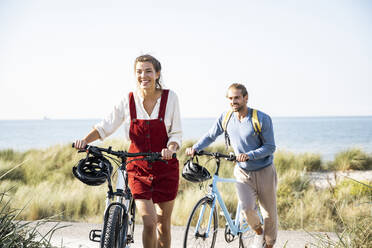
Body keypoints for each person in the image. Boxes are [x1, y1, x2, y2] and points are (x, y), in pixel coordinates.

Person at [74, 54, 182, 248]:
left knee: (163, 227)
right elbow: (105, 126)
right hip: (138, 168)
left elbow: (176, 133)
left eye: (148, 71)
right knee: (149, 223)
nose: (144, 76)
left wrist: (171, 148)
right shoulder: (129, 99)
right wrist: (84, 140)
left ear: (157, 74)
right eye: (139, 72)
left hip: (165, 167)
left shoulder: (170, 98)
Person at [186, 83, 277, 248]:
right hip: (243, 172)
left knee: (269, 214)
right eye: (230, 98)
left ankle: (269, 244)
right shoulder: (226, 118)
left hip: (265, 171)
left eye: (237, 97)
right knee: (247, 209)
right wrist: (196, 148)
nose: (233, 101)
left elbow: (270, 147)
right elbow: (211, 135)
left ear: (245, 98)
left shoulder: (261, 119)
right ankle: (258, 233)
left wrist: (250, 155)